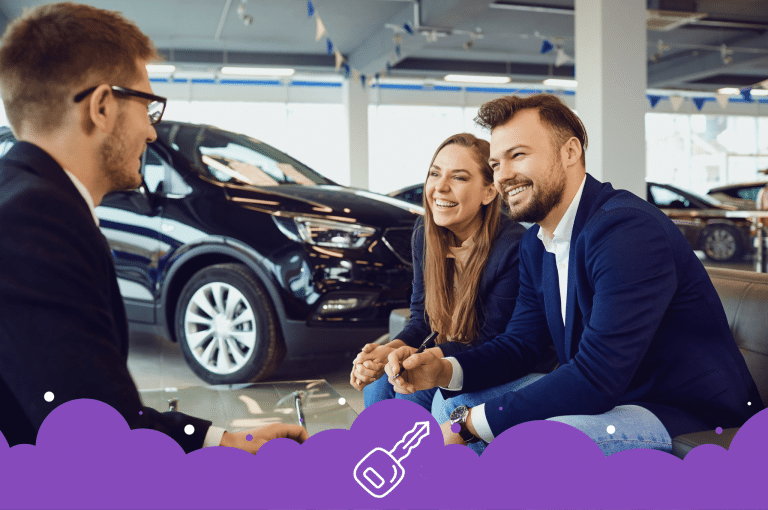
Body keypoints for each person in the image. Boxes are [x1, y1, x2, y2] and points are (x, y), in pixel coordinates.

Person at [0, 3, 306, 453]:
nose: (151, 133)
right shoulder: (38, 221)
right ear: (102, 107)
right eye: (149, 105)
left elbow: (92, 404)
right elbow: (91, 443)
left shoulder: (25, 196)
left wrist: (223, 440)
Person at [385, 94, 763, 455]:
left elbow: (597, 375)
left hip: (682, 411)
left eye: (518, 155)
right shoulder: (537, 243)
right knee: (456, 399)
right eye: (497, 163)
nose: (504, 176)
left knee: (526, 443)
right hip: (613, 396)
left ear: (570, 152)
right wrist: (445, 369)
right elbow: (521, 345)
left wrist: (471, 424)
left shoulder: (627, 231)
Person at [350, 133, 537, 414]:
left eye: (459, 178)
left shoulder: (512, 247)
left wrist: (422, 358)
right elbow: (422, 320)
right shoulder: (424, 235)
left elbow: (492, 342)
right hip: (447, 355)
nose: (440, 187)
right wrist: (391, 350)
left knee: (413, 395)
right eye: (434, 174)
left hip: (496, 362)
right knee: (378, 385)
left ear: (489, 192)